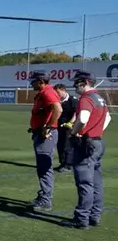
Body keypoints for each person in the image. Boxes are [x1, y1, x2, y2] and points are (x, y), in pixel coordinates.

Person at [62, 71, 111, 229]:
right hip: (97, 142)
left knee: (84, 183)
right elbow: (108, 118)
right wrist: (97, 131)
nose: (74, 86)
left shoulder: (86, 98)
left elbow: (82, 118)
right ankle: (95, 215)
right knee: (96, 182)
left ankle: (81, 218)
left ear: (85, 82)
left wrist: (74, 132)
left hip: (85, 144)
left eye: (77, 83)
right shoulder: (99, 98)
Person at [26, 71, 63, 212]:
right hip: (40, 133)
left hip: (46, 135)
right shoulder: (44, 93)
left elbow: (58, 109)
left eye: (33, 81)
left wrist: (47, 127)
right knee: (42, 167)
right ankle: (43, 195)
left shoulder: (48, 92)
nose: (31, 83)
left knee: (44, 167)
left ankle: (46, 200)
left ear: (41, 81)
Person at [53, 83, 78, 172]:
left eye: (58, 92)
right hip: (59, 126)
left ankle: (68, 165)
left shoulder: (72, 100)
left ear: (63, 90)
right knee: (60, 145)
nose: (57, 94)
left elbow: (76, 113)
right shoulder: (57, 100)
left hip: (69, 127)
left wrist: (70, 123)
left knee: (67, 145)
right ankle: (62, 163)